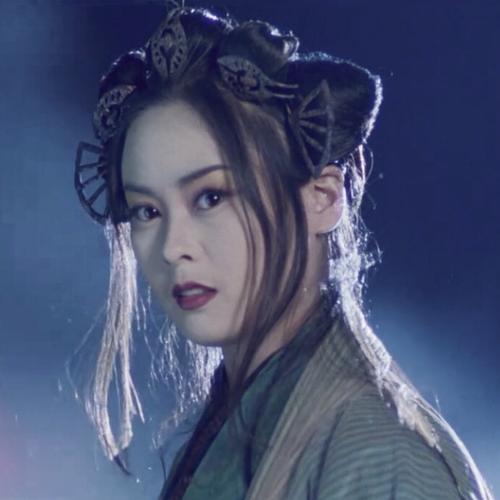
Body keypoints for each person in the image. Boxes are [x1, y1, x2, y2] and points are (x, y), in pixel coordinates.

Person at [74, 2, 493, 499]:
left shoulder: (382, 458)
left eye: (211, 197)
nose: (172, 247)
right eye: (147, 211)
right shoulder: (231, 427)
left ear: (323, 197)